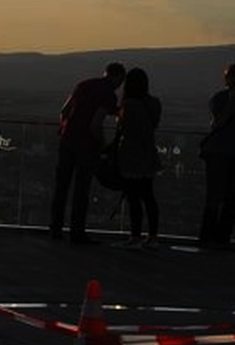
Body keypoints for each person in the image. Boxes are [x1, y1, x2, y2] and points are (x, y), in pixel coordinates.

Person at [49, 62, 125, 244]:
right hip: (86, 146)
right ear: (118, 77)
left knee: (61, 187)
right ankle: (77, 233)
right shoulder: (108, 95)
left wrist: (65, 131)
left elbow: (64, 111)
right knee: (81, 190)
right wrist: (104, 145)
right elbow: (95, 124)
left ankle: (55, 229)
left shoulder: (83, 85)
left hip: (67, 140)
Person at [198, 62, 235, 248]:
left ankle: (218, 239)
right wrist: (232, 101)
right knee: (216, 196)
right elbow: (218, 122)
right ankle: (211, 238)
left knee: (231, 199)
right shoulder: (221, 98)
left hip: (231, 153)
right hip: (220, 153)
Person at [115, 67, 163, 248]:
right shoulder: (155, 103)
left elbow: (124, 129)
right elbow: (153, 125)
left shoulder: (128, 104)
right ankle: (152, 237)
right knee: (148, 196)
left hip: (131, 154)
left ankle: (135, 236)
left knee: (133, 197)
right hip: (148, 153)